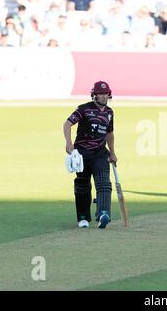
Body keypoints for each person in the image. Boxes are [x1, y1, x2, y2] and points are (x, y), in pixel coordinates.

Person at [63, 81, 118, 229]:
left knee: (104, 183)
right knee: (82, 185)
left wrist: (112, 152)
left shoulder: (109, 112)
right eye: (100, 93)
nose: (104, 96)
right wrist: (69, 143)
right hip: (82, 153)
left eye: (106, 93)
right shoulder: (84, 109)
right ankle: (83, 218)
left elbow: (109, 133)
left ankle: (103, 214)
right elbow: (67, 124)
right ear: (94, 95)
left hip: (100, 153)